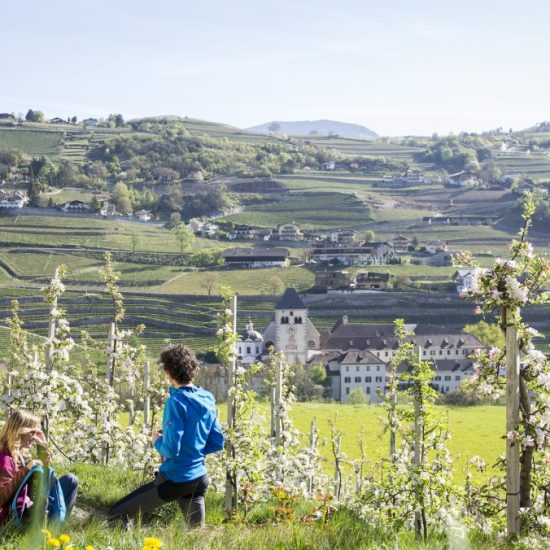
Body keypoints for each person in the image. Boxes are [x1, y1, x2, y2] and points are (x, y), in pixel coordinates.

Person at [108, 344, 224, 527]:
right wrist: (193, 450)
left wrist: (157, 441)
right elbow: (217, 442)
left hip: (175, 479)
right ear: (193, 370)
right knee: (196, 538)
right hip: (200, 479)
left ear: (169, 372)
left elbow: (170, 449)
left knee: (116, 515)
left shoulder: (176, 402)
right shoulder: (208, 398)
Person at [0, 410, 79, 524]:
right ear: (20, 432)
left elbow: (45, 477)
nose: (34, 437)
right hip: (18, 514)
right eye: (32, 433)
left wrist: (42, 446)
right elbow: (2, 499)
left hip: (31, 503)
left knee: (70, 480)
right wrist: (26, 470)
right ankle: (47, 530)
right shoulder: (4, 459)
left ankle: (57, 528)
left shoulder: (19, 455)